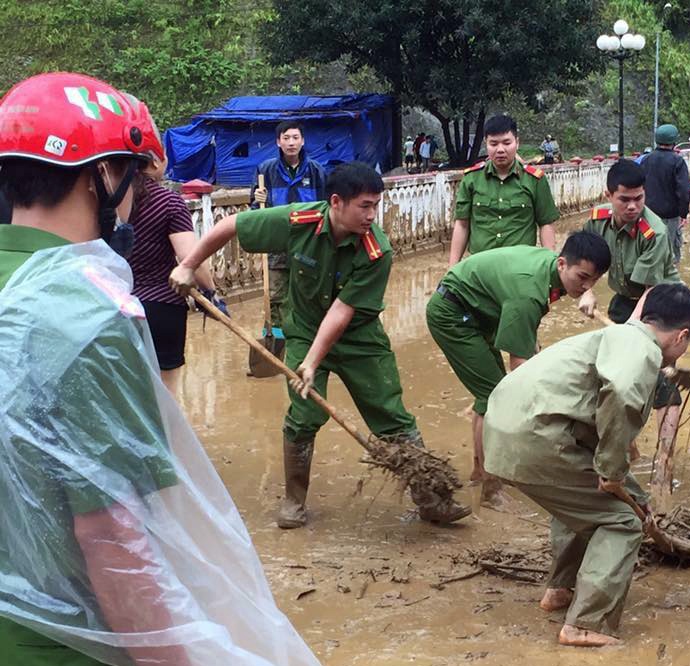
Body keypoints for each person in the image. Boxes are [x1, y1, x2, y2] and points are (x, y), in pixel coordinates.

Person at [0, 72, 322, 666]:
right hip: (62, 643)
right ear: (101, 173)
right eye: (130, 169)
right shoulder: (87, 318)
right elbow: (112, 537)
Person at [171, 162, 471, 528]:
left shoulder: (377, 250)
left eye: (376, 205)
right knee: (304, 414)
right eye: (364, 205)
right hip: (304, 330)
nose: (372, 215)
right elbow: (230, 226)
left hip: (360, 338)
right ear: (336, 202)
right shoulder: (299, 221)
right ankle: (294, 501)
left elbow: (342, 312)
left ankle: (431, 500)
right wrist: (188, 266)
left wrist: (312, 363)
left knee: (390, 413)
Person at [482, 283, 690, 647]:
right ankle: (587, 624)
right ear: (682, 336)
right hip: (538, 436)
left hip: (505, 430)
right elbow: (620, 390)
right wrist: (614, 476)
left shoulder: (614, 336)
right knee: (622, 522)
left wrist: (630, 489)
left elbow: (598, 435)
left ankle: (560, 590)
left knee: (581, 505)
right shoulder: (642, 350)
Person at [426, 231, 611, 505]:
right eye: (582, 278)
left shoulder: (550, 269)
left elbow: (525, 327)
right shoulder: (529, 294)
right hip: (454, 314)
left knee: (490, 394)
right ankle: (490, 488)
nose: (586, 287)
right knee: (496, 397)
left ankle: (481, 470)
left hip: (480, 309)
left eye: (593, 281)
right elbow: (520, 371)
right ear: (562, 264)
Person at [576, 159, 684, 457]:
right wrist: (587, 292)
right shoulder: (596, 222)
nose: (633, 206)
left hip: (663, 304)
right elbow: (587, 262)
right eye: (625, 199)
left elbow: (651, 291)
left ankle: (664, 459)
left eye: (639, 198)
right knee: (611, 375)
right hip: (624, 299)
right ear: (609, 195)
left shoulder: (655, 232)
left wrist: (635, 336)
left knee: (660, 379)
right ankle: (629, 449)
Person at [128, 154, 217, 394]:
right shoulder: (168, 202)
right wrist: (211, 292)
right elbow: (190, 259)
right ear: (156, 162)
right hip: (162, 307)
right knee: (165, 395)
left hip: (115, 306)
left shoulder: (107, 201)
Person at [448, 114, 560, 266]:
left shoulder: (535, 181)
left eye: (507, 143)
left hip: (521, 268)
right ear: (486, 144)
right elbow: (462, 225)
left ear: (517, 143)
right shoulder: (471, 179)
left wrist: (550, 269)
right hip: (480, 269)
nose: (500, 149)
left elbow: (546, 224)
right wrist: (452, 270)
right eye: (493, 144)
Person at [251, 121, 326, 332]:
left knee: (308, 295)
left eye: (295, 138)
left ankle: (305, 341)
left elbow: (327, 209)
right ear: (278, 142)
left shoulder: (316, 171)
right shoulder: (265, 170)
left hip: (308, 245)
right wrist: (258, 200)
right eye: (286, 138)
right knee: (276, 298)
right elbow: (256, 211)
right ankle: (277, 344)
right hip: (277, 246)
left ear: (303, 141)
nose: (291, 143)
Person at [638, 124, 690, 264]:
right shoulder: (677, 161)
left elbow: (639, 186)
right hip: (670, 216)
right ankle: (668, 283)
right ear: (673, 142)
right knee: (671, 252)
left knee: (649, 250)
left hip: (648, 215)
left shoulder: (645, 160)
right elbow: (684, 191)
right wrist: (684, 213)